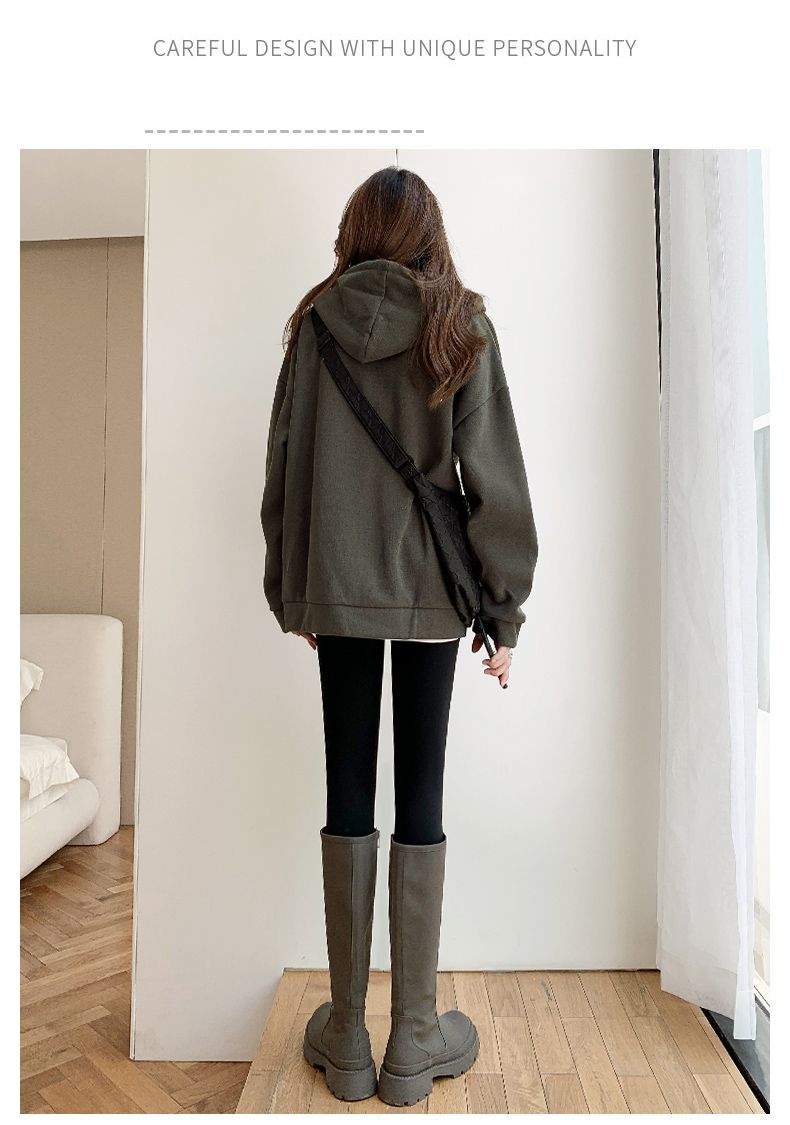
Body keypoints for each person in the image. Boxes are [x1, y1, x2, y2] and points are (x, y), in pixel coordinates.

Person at [260, 166, 538, 1106]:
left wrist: (294, 591)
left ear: (355, 231)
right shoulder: (461, 325)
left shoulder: (315, 324)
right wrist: (502, 610)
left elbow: (284, 462)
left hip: (337, 590)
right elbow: (495, 480)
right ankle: (413, 1040)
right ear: (430, 233)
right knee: (422, 787)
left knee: (347, 783)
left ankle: (346, 1035)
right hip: (429, 597)